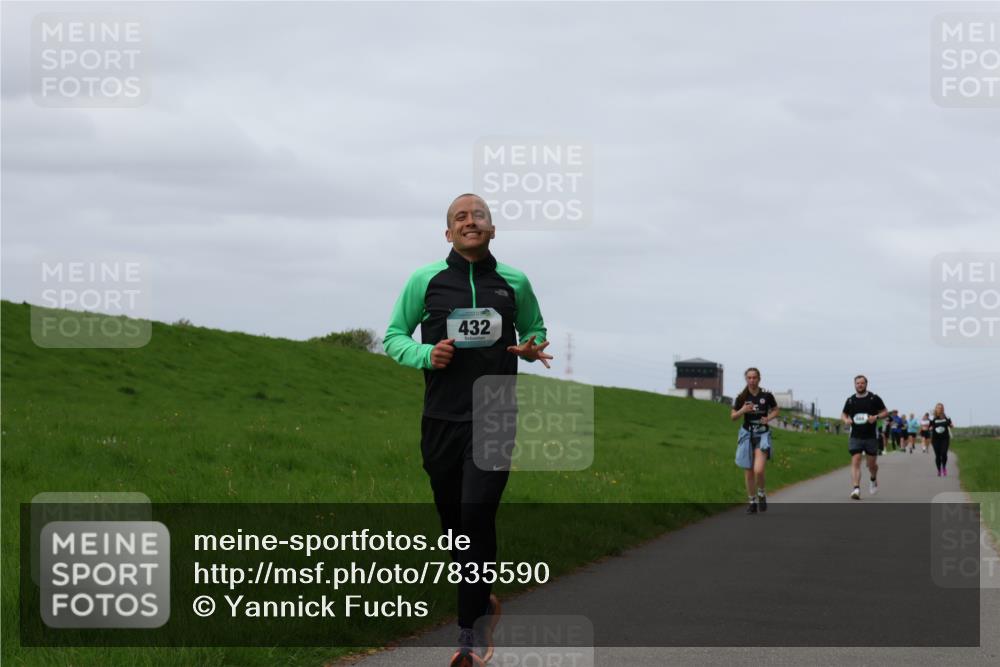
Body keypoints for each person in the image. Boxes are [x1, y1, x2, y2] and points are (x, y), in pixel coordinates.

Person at [383, 193, 552, 667]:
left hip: (495, 414)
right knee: (455, 528)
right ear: (449, 233)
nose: (470, 221)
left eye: (479, 216)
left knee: (476, 516)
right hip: (441, 418)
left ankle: (468, 634)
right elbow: (394, 334)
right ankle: (482, 601)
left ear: (493, 230)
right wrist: (424, 354)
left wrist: (531, 345)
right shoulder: (426, 280)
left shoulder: (514, 282)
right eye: (461, 217)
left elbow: (536, 328)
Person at [730, 368, 780, 514]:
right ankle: (752, 501)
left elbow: (776, 410)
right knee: (749, 471)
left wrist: (768, 418)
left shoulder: (766, 395)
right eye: (749, 378)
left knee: (759, 470)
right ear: (746, 379)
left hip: (762, 435)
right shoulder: (742, 397)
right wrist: (742, 410)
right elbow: (733, 417)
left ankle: (762, 493)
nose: (752, 380)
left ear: (759, 379)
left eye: (754, 378)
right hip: (747, 436)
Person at [841, 375, 888, 500]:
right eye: (857, 383)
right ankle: (856, 489)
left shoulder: (874, 398)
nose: (860, 385)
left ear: (866, 384)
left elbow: (885, 412)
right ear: (854, 385)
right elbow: (844, 414)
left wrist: (876, 417)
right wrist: (846, 420)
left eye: (862, 383)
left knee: (871, 465)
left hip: (871, 437)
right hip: (855, 436)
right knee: (855, 460)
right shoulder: (850, 400)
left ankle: (873, 478)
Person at [929, 403, 954, 477]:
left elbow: (951, 425)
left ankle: (944, 467)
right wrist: (930, 428)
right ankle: (939, 470)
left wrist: (951, 425)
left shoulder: (947, 417)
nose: (939, 409)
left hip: (945, 438)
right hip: (935, 439)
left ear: (943, 409)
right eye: (938, 408)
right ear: (936, 409)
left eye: (941, 408)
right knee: (937, 455)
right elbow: (929, 426)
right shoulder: (932, 417)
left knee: (944, 453)